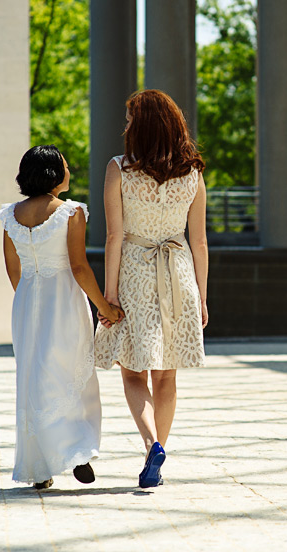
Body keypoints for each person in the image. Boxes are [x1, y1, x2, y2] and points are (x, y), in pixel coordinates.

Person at [94, 89, 209, 489]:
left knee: (132, 373)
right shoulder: (192, 173)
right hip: (179, 275)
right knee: (166, 375)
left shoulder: (119, 169)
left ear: (141, 125)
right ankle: (158, 450)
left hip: (136, 273)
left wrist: (109, 296)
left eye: (129, 120)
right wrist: (203, 297)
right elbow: (200, 242)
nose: (125, 126)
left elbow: (113, 237)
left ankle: (151, 445)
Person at [0, 144, 124, 490]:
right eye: (66, 166)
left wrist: (28, 299)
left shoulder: (10, 215)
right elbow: (80, 267)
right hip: (64, 300)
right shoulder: (71, 212)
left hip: (26, 300)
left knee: (32, 377)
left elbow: (13, 269)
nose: (70, 171)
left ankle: (39, 467)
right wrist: (104, 306)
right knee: (71, 372)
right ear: (55, 174)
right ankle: (77, 451)